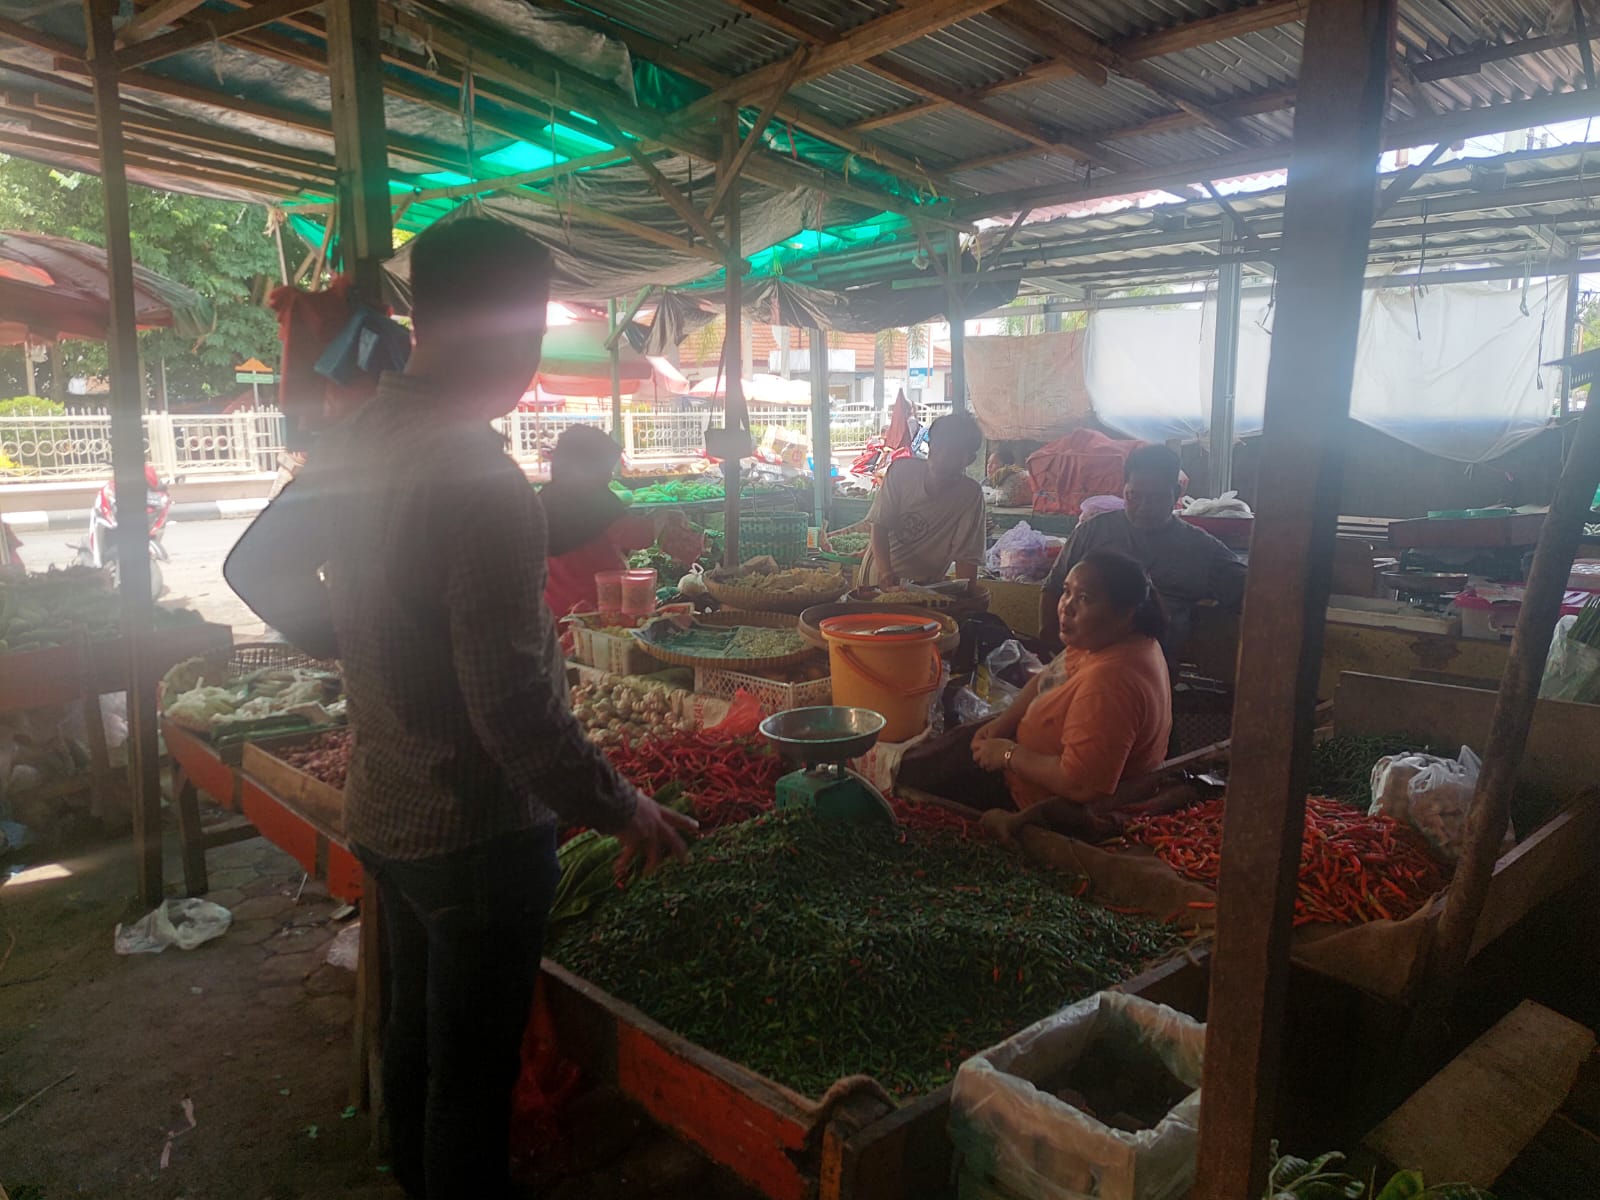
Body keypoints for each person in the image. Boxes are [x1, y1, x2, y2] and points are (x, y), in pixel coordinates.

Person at [224, 216, 693, 1200]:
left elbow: (253, 565)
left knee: (413, 1041)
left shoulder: (357, 438)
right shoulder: (481, 479)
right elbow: (513, 713)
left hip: (388, 807)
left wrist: (364, 638)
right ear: (508, 339)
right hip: (479, 838)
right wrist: (626, 808)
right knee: (468, 1087)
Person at [899, 551, 1173, 840]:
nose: (1065, 607)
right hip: (1019, 766)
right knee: (921, 762)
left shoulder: (1111, 682)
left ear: (1126, 611)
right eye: (1067, 592)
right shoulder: (1106, 638)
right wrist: (1003, 722)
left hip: (1041, 807)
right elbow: (1048, 676)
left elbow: (1081, 785)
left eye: (1085, 599)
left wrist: (1007, 754)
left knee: (917, 801)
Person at [1039, 443, 1245, 659]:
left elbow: (1250, 594)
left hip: (1152, 666)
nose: (1145, 507)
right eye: (1134, 496)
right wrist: (1050, 651)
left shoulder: (1201, 549)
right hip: (1082, 662)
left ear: (1176, 493)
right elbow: (1052, 588)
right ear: (1123, 489)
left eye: (1157, 498)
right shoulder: (1092, 532)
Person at [857, 411, 986, 587]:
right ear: (930, 446)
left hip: (928, 588)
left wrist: (967, 598)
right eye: (939, 448)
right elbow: (879, 526)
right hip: (880, 573)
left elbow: (967, 558)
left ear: (969, 459)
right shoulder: (901, 472)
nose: (942, 458)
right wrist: (886, 573)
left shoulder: (970, 496)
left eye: (954, 453)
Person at [540, 424, 656, 618]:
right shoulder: (594, 498)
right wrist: (661, 521)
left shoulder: (545, 496)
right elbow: (639, 537)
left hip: (553, 608)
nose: (609, 476)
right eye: (605, 469)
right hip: (596, 608)